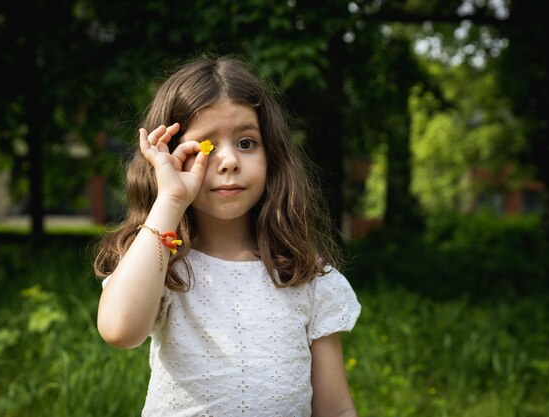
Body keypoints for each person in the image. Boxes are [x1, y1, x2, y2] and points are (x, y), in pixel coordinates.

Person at [94, 53, 361, 417]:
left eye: (246, 143)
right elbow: (119, 330)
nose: (229, 161)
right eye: (205, 146)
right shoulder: (166, 265)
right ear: (171, 156)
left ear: (273, 156)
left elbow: (335, 409)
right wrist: (170, 199)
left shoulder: (304, 274)